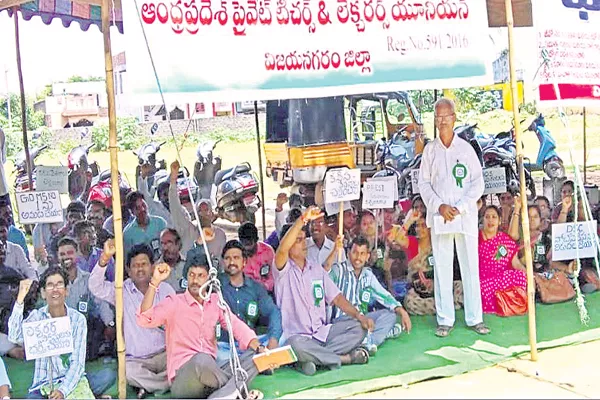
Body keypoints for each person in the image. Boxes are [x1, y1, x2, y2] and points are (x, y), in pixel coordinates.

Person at [137, 247, 265, 399]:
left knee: (254, 357)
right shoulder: (175, 302)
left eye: (200, 276)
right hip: (184, 380)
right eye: (191, 275)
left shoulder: (215, 301)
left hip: (211, 375)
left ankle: (223, 395)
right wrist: (154, 282)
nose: (195, 281)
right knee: (201, 359)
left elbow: (236, 326)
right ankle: (236, 390)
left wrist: (258, 346)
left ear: (209, 279)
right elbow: (144, 319)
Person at [418, 98, 489, 337]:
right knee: (442, 266)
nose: (442, 121)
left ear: (454, 118)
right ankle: (445, 319)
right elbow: (424, 184)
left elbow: (478, 183)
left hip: (464, 216)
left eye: (446, 116)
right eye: (438, 117)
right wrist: (439, 206)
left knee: (470, 265)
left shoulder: (465, 149)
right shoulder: (430, 150)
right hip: (441, 216)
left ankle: (475, 317)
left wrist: (460, 206)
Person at [274, 207, 373, 376]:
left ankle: (309, 360)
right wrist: (303, 219)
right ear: (289, 245)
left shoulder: (315, 268)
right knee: (296, 346)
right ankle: (344, 359)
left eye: (304, 239)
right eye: (298, 240)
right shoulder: (282, 270)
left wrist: (359, 315)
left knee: (358, 328)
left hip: (322, 333)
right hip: (297, 337)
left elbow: (337, 298)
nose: (304, 243)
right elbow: (282, 249)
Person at [9, 268, 115, 399]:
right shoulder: (36, 317)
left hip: (74, 382)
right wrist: (19, 301)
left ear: (66, 291)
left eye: (59, 284)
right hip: (43, 385)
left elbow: (77, 363)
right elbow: (14, 336)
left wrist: (62, 391)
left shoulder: (77, 319)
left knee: (108, 375)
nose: (55, 289)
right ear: (43, 293)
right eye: (50, 285)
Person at [89, 240, 175, 399]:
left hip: (165, 354)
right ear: (128, 270)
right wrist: (105, 258)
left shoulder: (165, 289)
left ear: (153, 267)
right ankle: (164, 384)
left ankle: (148, 386)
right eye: (135, 265)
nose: (140, 269)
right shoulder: (121, 291)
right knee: (127, 372)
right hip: (136, 360)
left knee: (183, 361)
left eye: (144, 264)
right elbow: (95, 287)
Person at [325, 236, 411, 355]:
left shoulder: (368, 275)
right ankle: (376, 338)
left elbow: (384, 296)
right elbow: (324, 273)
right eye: (355, 252)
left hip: (363, 319)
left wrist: (402, 311)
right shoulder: (338, 270)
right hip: (341, 321)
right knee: (361, 325)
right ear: (348, 253)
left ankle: (368, 342)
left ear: (367, 256)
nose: (358, 257)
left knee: (389, 315)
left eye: (362, 253)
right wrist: (335, 250)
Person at [217, 240, 282, 364]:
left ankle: (255, 361)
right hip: (224, 346)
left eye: (236, 258)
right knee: (218, 356)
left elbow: (273, 312)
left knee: (284, 338)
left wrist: (273, 341)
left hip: (252, 345)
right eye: (227, 258)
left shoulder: (255, 288)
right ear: (223, 262)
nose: (231, 262)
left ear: (244, 262)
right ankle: (259, 363)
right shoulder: (215, 286)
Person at [56, 237, 115, 361]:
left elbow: (101, 303)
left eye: (70, 253)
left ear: (77, 254)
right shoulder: (52, 280)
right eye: (62, 254)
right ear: (57, 257)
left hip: (83, 330)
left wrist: (110, 324)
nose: (66, 257)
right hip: (58, 332)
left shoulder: (88, 278)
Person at [169, 160, 227, 267]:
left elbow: (223, 263)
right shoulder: (188, 230)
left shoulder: (220, 235)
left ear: (212, 214)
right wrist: (173, 181)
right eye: (200, 210)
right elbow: (175, 208)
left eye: (207, 210)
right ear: (196, 215)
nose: (203, 214)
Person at [479, 206, 527, 314]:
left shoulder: (504, 240)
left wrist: (528, 275)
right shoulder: (476, 238)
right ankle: (501, 303)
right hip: (483, 282)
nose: (490, 220)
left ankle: (508, 302)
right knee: (481, 289)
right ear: (483, 220)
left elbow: (516, 264)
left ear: (499, 220)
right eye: (487, 217)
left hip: (501, 279)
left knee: (520, 276)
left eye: (494, 217)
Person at [123, 191, 168, 260]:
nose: (142, 210)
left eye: (143, 205)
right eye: (137, 208)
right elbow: (129, 260)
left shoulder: (160, 222)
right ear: (132, 212)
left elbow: (169, 247)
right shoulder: (127, 233)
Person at [238, 223, 275, 293]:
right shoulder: (236, 255)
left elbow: (274, 275)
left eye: (249, 244)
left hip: (266, 292)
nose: (247, 249)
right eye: (244, 245)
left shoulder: (267, 251)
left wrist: (265, 286)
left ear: (256, 240)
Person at [157, 229, 187, 293]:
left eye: (169, 243)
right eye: (162, 243)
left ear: (178, 244)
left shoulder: (189, 264)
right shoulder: (156, 270)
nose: (165, 248)